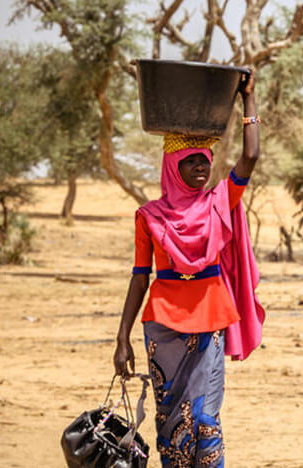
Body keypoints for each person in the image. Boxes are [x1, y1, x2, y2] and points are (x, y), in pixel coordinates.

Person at [113, 70, 264, 468]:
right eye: (191, 159)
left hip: (211, 318)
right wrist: (122, 338)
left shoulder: (220, 201)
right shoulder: (148, 217)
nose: (201, 166)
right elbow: (139, 276)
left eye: (206, 159)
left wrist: (248, 99)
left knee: (205, 417)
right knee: (170, 421)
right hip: (163, 326)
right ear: (172, 165)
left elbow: (250, 157)